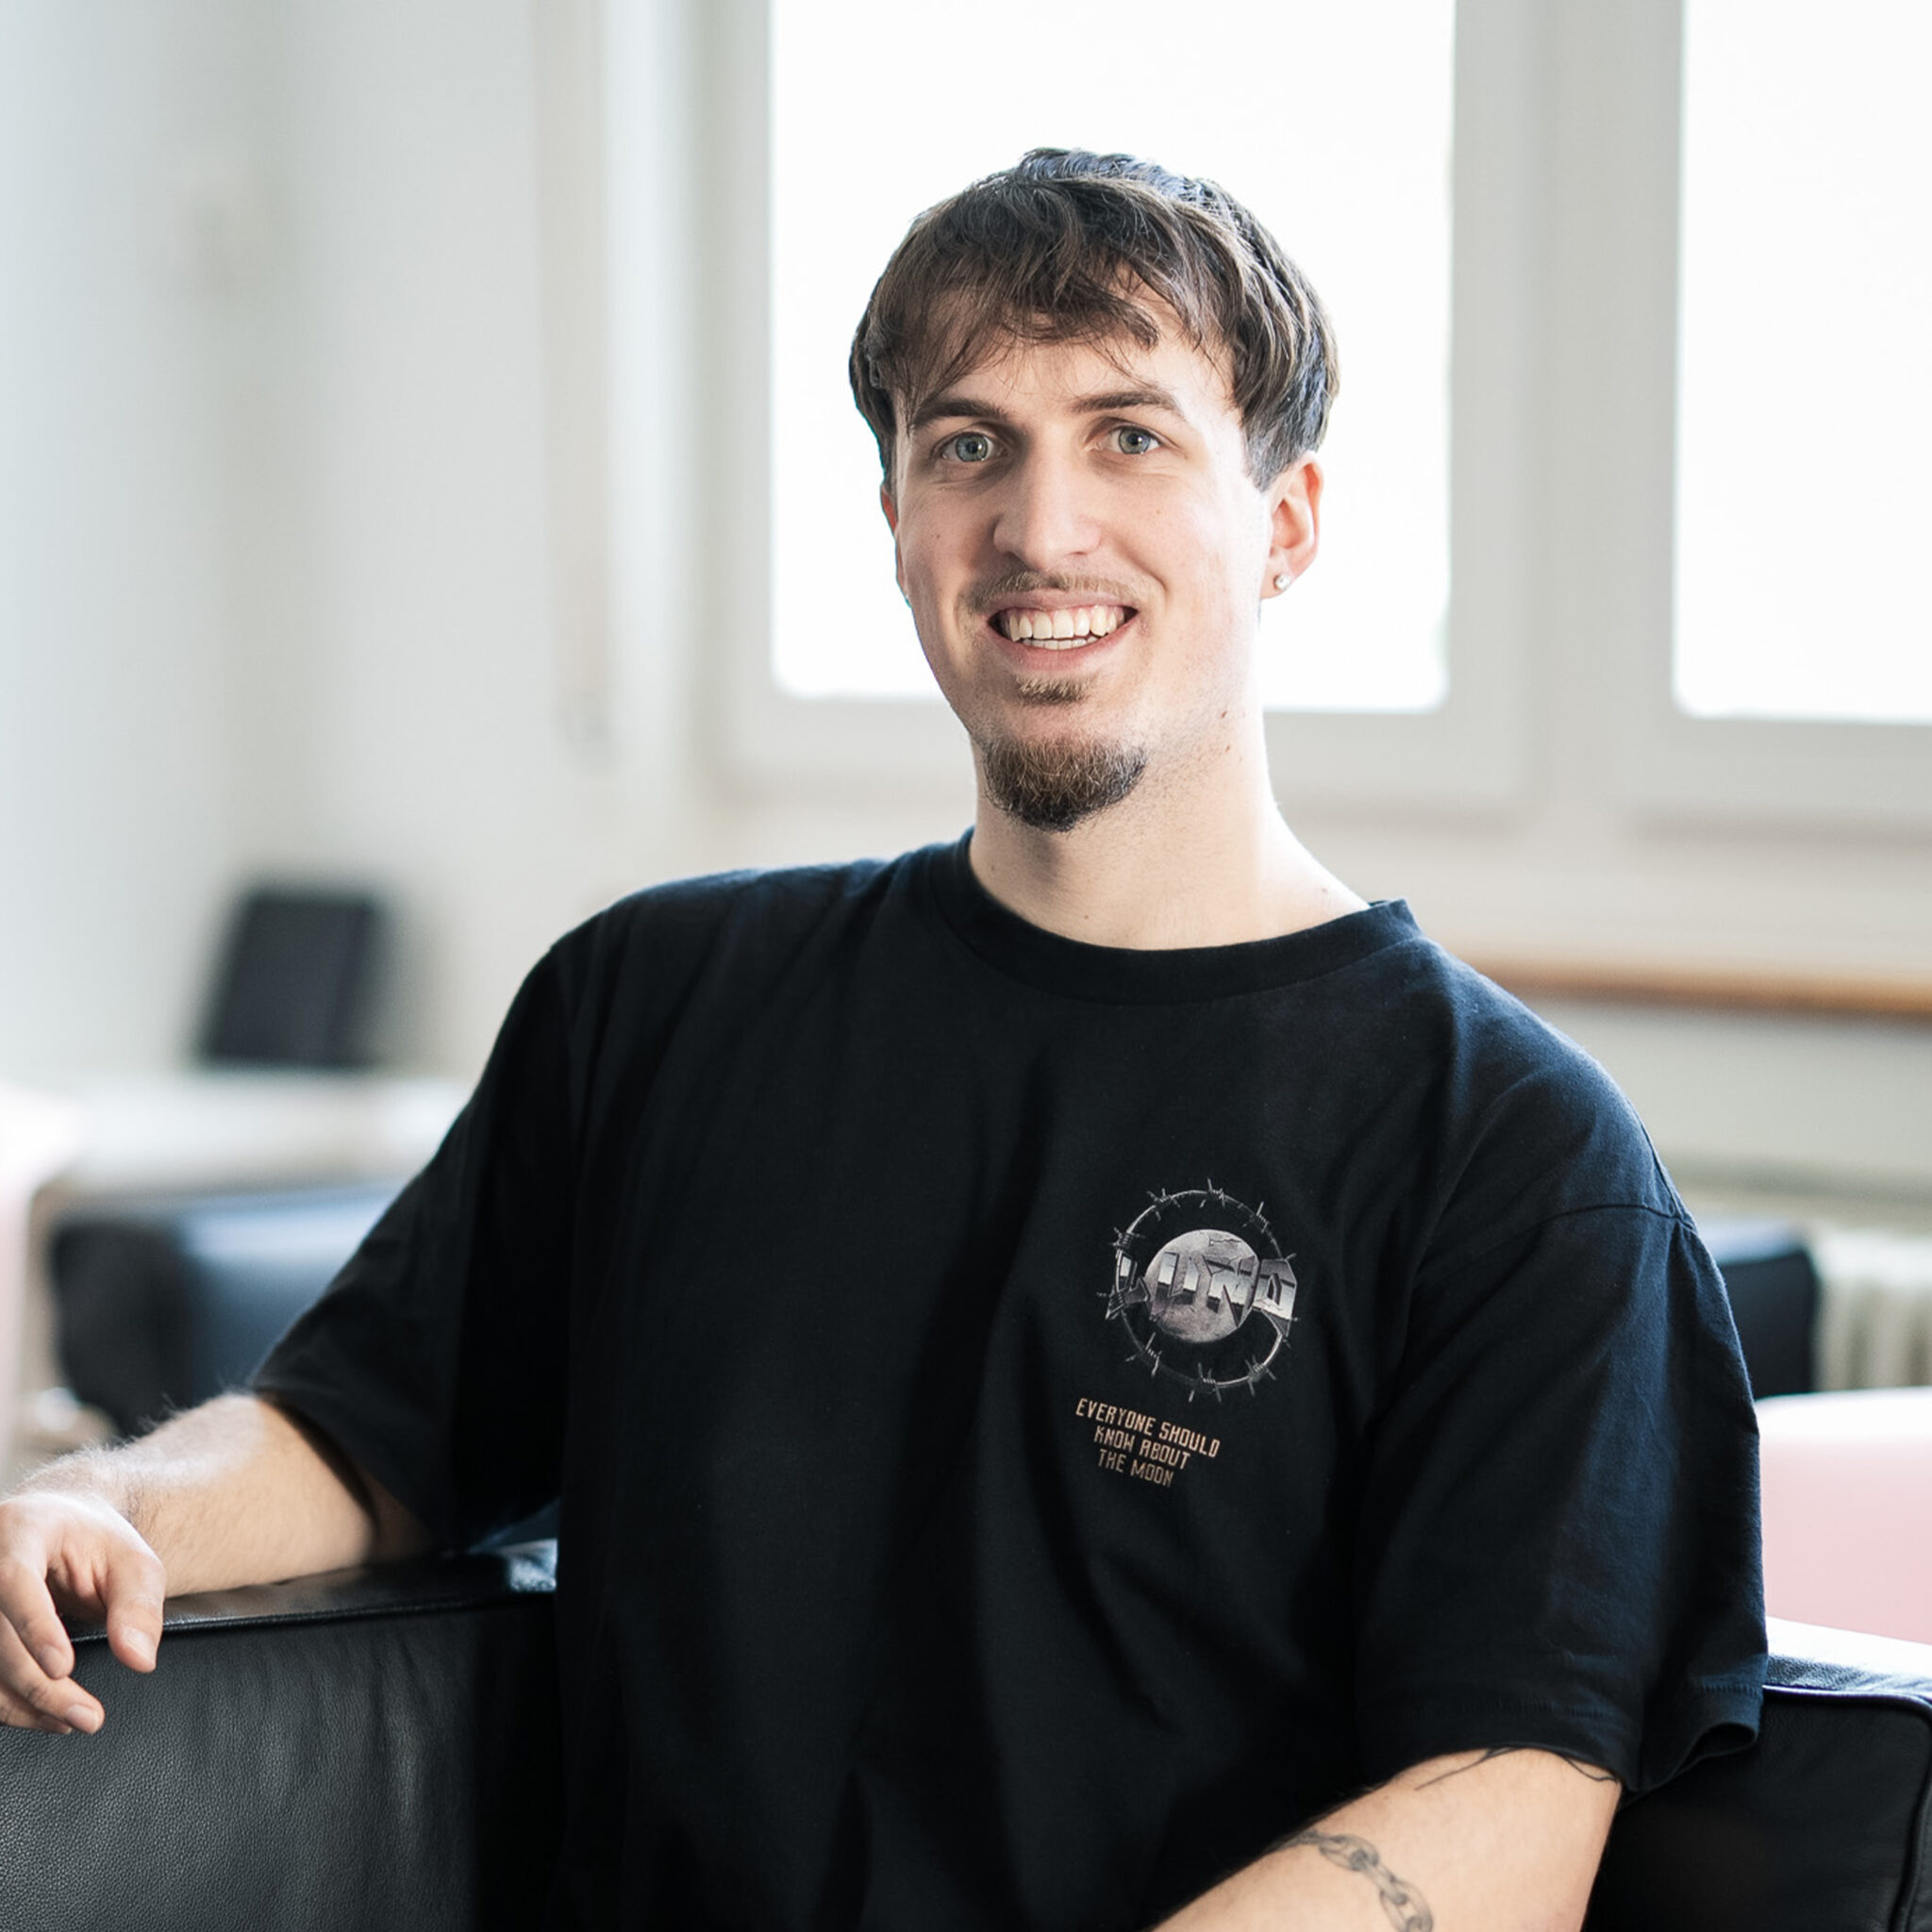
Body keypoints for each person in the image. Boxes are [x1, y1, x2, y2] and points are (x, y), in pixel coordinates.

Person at [0, 149, 1762, 1929]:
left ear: (1287, 521)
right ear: (899, 520)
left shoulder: (1508, 1154)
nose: (1043, 529)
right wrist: (98, 1506)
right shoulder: (658, 1002)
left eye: (1131, 437)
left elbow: (1511, 1803)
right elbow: (357, 1434)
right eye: (970, 444)